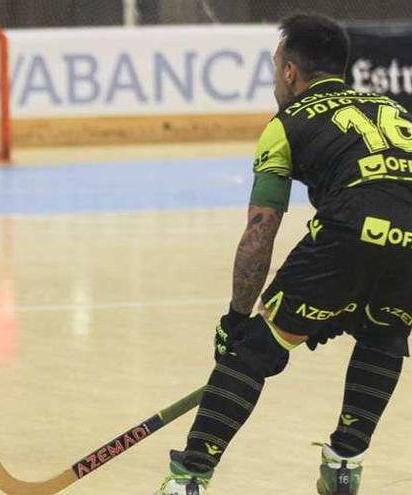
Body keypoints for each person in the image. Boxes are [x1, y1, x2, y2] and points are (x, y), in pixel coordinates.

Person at [157, 14, 412, 495]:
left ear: (291, 72)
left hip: (349, 234)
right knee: (385, 336)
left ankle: (189, 477)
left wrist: (236, 321)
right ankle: (343, 466)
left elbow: (260, 231)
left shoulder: (286, 124)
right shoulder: (394, 109)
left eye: (277, 67)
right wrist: (348, 302)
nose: (277, 77)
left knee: (254, 350)